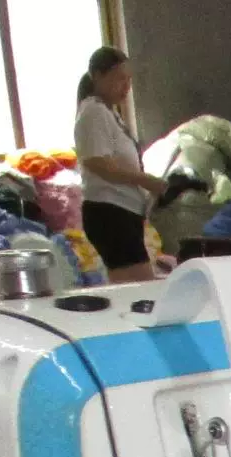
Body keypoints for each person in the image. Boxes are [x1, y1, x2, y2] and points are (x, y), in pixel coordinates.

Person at [74, 46, 169, 283]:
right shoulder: (93, 112)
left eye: (128, 80)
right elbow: (98, 163)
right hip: (109, 212)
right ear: (97, 76)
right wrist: (144, 180)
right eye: (119, 79)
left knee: (132, 285)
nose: (125, 86)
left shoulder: (109, 113)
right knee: (139, 287)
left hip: (123, 212)